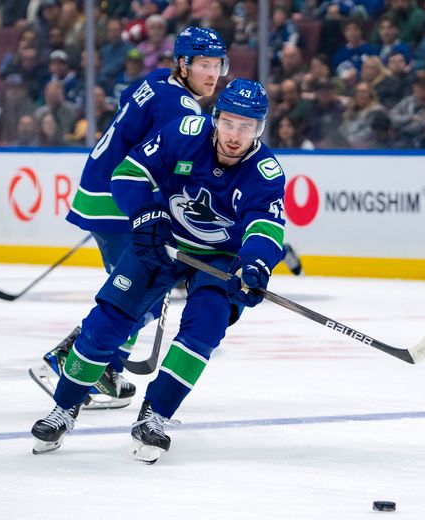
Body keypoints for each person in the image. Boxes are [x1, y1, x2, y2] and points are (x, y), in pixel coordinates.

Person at [30, 78, 286, 464]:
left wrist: (254, 265)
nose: (235, 136)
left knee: (204, 329)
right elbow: (129, 173)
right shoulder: (183, 134)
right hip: (164, 242)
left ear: (259, 129)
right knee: (108, 320)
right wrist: (147, 213)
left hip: (220, 259)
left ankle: (156, 415)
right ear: (216, 118)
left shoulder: (265, 172)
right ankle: (64, 407)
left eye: (247, 127)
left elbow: (265, 229)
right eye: (230, 123)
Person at [32, 27, 231, 411]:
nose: (212, 74)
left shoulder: (158, 79)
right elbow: (159, 163)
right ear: (184, 65)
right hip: (118, 199)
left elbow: (129, 108)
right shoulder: (182, 109)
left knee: (139, 287)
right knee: (141, 287)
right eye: (204, 65)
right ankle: (73, 361)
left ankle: (104, 365)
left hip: (100, 191)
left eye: (217, 65)